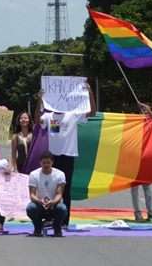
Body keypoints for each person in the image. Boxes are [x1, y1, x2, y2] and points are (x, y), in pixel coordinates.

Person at [37, 82, 96, 226]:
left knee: (66, 188)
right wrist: (40, 99)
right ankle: (50, 218)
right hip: (52, 158)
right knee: (50, 187)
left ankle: (64, 220)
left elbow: (92, 113)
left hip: (68, 155)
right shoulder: (49, 116)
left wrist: (90, 93)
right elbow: (37, 119)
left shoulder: (73, 115)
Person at [26, 152, 67, 237]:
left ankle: (57, 227)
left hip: (54, 204)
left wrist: (53, 202)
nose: (46, 165)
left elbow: (59, 194)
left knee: (62, 208)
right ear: (40, 163)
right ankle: (38, 227)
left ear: (52, 162)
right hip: (39, 205)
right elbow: (32, 195)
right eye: (44, 163)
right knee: (30, 208)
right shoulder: (33, 174)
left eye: (48, 162)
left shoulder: (60, 174)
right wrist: (39, 201)